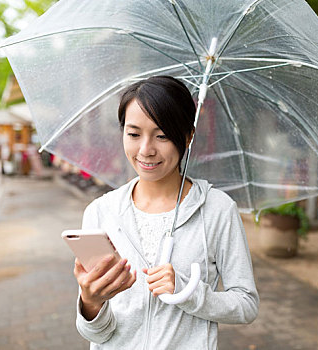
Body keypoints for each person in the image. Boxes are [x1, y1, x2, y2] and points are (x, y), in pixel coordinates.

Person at [73, 76, 259, 349]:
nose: (146, 150)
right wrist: (90, 302)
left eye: (162, 135)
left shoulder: (218, 210)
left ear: (188, 136)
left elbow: (246, 304)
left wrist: (188, 292)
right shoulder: (100, 212)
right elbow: (97, 335)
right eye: (134, 134)